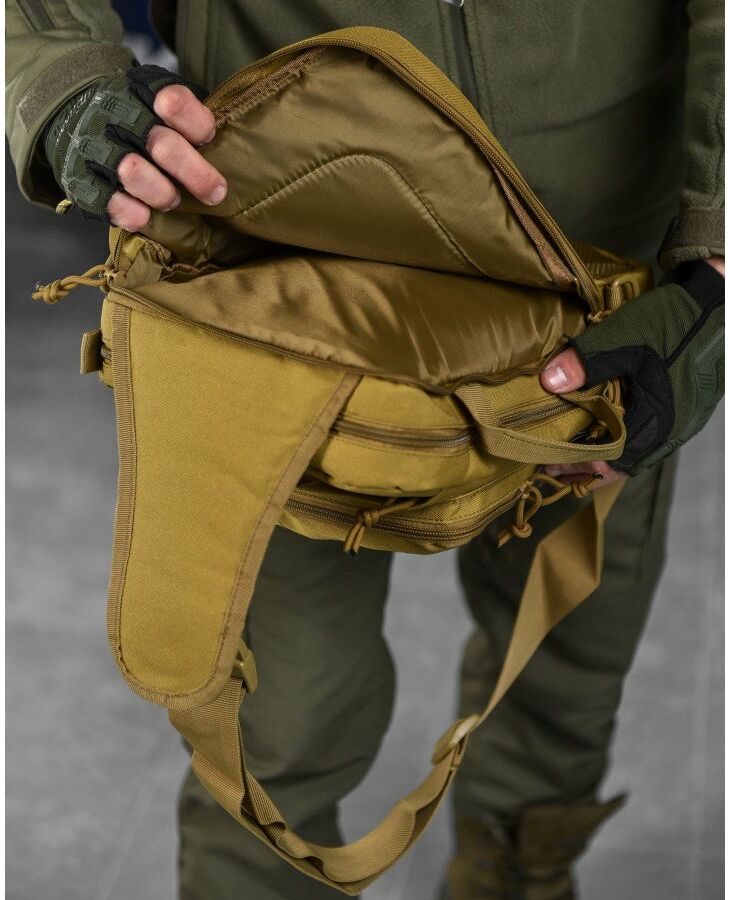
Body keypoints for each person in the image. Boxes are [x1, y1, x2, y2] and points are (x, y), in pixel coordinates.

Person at [6, 2, 724, 898]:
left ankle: (518, 871)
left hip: (608, 280)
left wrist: (717, 263)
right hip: (286, 264)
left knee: (568, 667)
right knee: (278, 720)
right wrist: (58, 71)